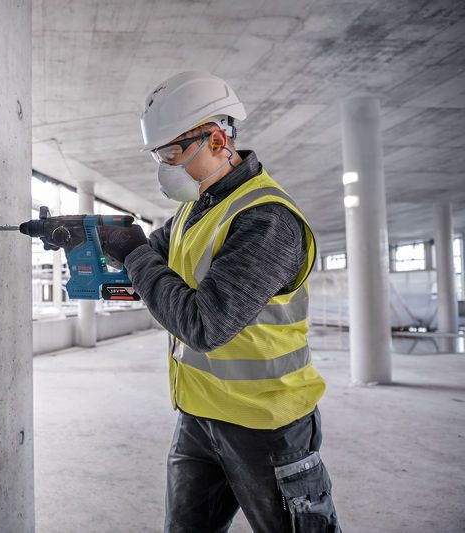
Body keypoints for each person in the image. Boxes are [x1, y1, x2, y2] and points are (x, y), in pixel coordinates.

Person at [97, 71, 342, 532]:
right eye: (159, 154)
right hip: (199, 414)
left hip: (266, 423)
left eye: (171, 153)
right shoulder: (197, 206)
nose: (164, 166)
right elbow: (152, 255)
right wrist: (103, 240)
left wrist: (132, 253)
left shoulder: (266, 219)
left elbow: (204, 325)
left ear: (215, 140)